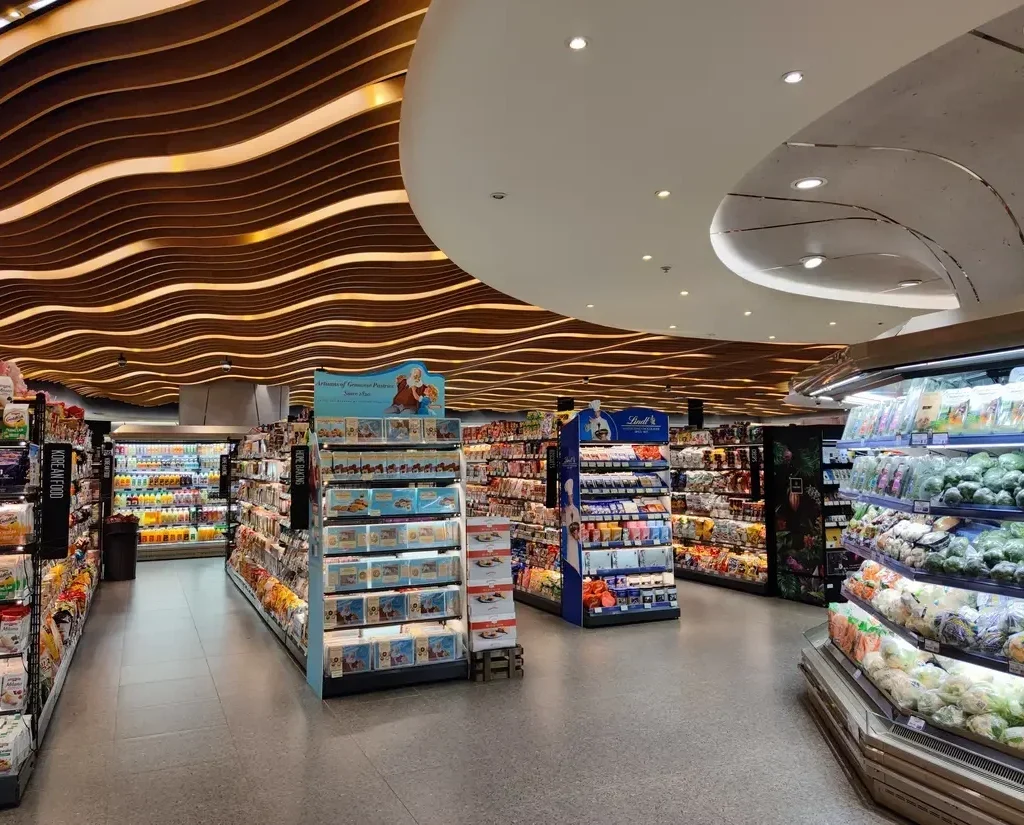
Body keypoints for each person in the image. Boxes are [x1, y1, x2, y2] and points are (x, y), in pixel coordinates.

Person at [562, 477, 582, 573]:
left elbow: (578, 523)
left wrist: (577, 534)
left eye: (571, 496)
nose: (570, 498)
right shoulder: (565, 510)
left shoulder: (576, 510)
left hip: (574, 539)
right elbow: (564, 523)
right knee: (570, 557)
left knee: (575, 559)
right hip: (568, 539)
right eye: (569, 496)